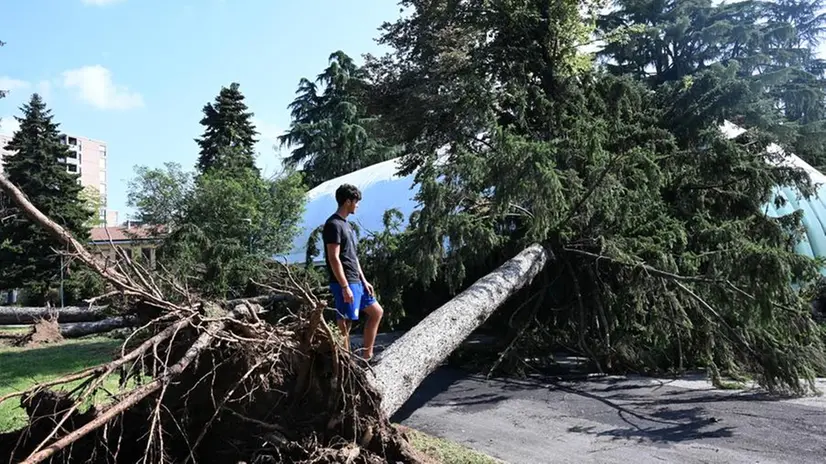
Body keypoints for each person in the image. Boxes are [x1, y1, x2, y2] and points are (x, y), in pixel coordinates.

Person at [322, 183, 384, 360]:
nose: (357, 205)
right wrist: (344, 286)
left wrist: (363, 280)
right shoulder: (333, 224)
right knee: (345, 323)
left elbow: (353, 257)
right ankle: (346, 362)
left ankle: (367, 356)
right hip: (344, 282)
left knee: (376, 312)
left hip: (356, 281)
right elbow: (334, 258)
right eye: (356, 202)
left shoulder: (347, 225)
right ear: (348, 201)